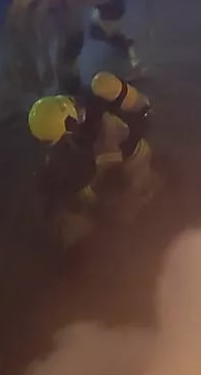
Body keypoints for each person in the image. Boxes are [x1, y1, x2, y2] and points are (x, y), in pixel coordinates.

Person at [29, 73, 159, 247]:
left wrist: (94, 203)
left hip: (132, 155)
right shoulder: (71, 112)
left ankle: (151, 200)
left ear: (70, 126)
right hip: (106, 155)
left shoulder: (103, 131)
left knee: (125, 211)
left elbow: (107, 173)